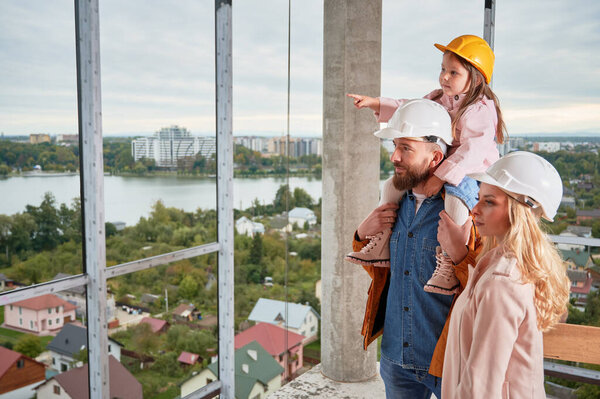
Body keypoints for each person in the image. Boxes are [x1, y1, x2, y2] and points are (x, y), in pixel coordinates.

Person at [345, 34, 505, 296]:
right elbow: (410, 108)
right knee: (391, 185)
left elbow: (471, 151)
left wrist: (440, 177)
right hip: (445, 167)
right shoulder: (438, 98)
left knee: (457, 196)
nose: (444, 77)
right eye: (443, 69)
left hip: (470, 172)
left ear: (475, 77)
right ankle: (383, 238)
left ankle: (448, 262)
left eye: (453, 72)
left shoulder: (480, 109)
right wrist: (377, 102)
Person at [352, 98, 481, 398]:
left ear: (436, 157)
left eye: (405, 148)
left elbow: (482, 287)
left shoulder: (465, 212)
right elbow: (385, 271)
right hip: (396, 357)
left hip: (447, 359)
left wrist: (460, 252)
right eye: (395, 146)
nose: (394, 157)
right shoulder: (394, 205)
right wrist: (361, 234)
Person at [439, 151, 570, 398]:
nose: (474, 210)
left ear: (519, 211)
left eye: (489, 202)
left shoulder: (502, 282)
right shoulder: (500, 265)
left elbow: (480, 387)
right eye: (479, 199)